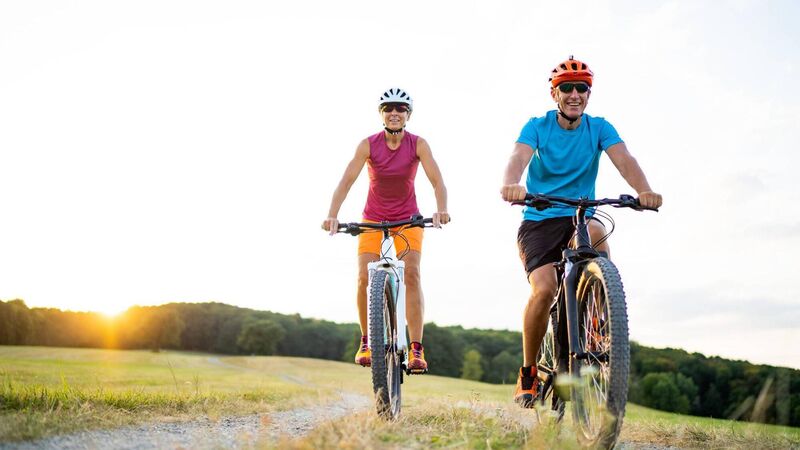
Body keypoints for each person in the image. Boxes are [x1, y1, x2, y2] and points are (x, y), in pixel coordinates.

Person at [500, 57, 663, 407]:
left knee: (597, 235)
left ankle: (598, 315)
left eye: (582, 88)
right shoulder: (537, 126)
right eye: (567, 88)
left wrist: (644, 191)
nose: (574, 94)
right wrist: (512, 182)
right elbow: (518, 156)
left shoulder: (599, 128)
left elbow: (625, 160)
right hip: (540, 218)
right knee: (544, 289)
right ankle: (528, 371)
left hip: (580, 214)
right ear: (554, 94)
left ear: (589, 93)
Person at [322, 88, 450, 373]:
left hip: (408, 220)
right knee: (363, 277)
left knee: (412, 273)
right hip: (372, 219)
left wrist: (441, 209)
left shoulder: (418, 144)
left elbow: (437, 181)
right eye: (388, 108)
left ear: (408, 115)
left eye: (400, 108)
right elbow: (346, 181)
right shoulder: (368, 145)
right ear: (381, 114)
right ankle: (367, 341)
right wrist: (332, 215)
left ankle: (416, 348)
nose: (394, 113)